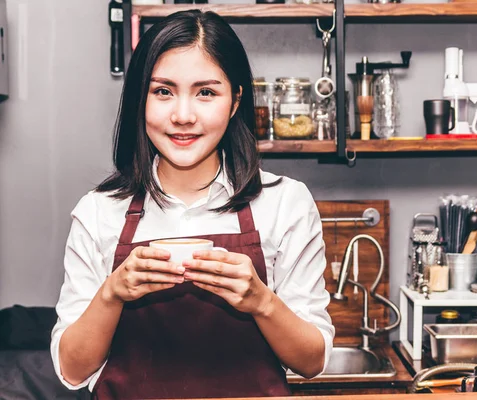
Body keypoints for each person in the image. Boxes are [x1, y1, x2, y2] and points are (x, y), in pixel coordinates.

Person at [50, 10, 334, 399]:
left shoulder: (285, 204)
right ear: (140, 99)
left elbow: (312, 361)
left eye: (206, 92)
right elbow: (72, 369)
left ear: (235, 101)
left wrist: (260, 300)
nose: (183, 116)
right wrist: (112, 293)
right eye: (163, 91)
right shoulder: (99, 212)